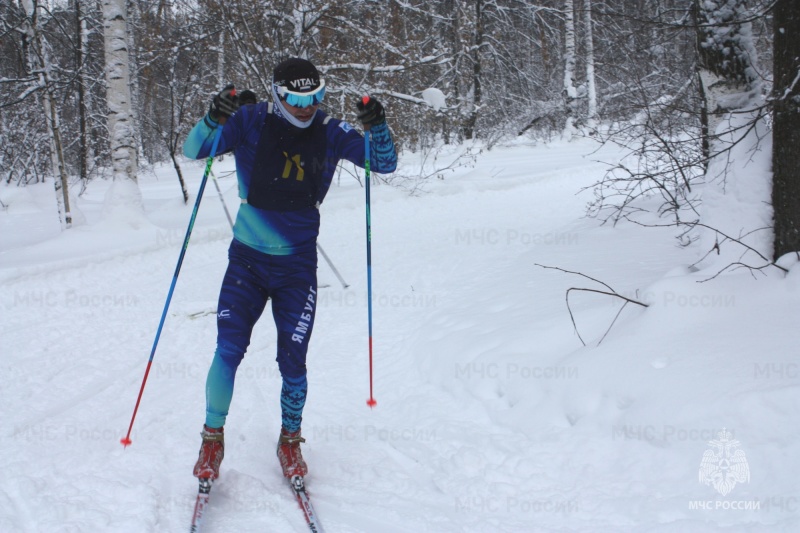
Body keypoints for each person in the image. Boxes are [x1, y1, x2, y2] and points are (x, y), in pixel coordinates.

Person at [183, 58, 397, 481]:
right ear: (278, 94)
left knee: (293, 361)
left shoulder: (331, 131)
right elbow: (194, 150)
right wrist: (213, 118)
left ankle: (290, 441)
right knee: (228, 349)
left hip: (297, 267)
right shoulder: (250, 120)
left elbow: (384, 163)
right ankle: (212, 439)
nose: (307, 107)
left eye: (315, 96)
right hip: (246, 262)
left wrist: (378, 127)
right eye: (297, 98)